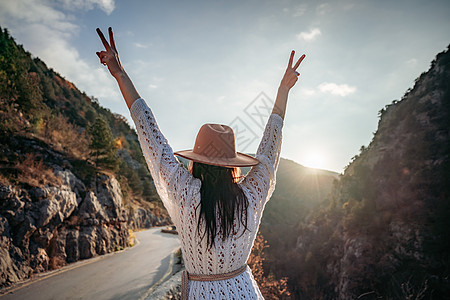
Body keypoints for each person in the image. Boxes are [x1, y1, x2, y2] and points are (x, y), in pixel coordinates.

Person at [96, 27, 305, 299]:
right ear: (233, 165)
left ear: (195, 162)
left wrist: (120, 74)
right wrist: (283, 90)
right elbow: (270, 147)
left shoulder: (186, 193)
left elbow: (150, 133)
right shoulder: (250, 197)